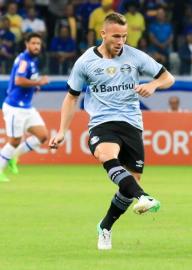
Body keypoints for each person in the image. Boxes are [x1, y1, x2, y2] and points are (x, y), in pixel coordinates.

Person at [48, 13, 175, 250]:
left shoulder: (135, 56)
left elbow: (168, 77)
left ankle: (105, 226)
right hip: (102, 123)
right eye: (116, 36)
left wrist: (153, 85)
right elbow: (71, 97)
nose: (121, 41)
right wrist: (62, 131)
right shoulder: (85, 62)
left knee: (129, 183)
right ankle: (144, 197)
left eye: (125, 36)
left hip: (131, 124)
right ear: (103, 34)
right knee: (107, 156)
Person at [0, 32, 49, 182]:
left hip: (27, 107)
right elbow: (19, 80)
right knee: (14, 141)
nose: (36, 46)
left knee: (43, 136)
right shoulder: (24, 60)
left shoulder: (33, 60)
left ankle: (13, 157)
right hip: (15, 107)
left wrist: (34, 86)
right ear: (26, 44)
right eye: (33, 43)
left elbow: (27, 80)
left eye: (38, 44)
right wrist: (38, 83)